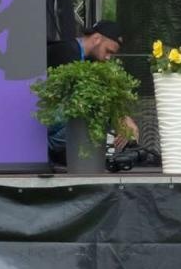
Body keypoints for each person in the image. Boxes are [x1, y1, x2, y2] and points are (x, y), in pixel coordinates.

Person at [44, 20, 136, 165]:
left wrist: (123, 117)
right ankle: (46, 149)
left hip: (57, 120)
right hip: (39, 120)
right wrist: (119, 116)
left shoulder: (90, 61)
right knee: (94, 109)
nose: (108, 57)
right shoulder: (66, 51)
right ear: (96, 39)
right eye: (108, 51)